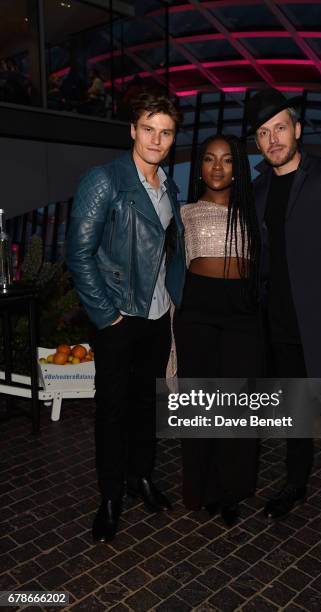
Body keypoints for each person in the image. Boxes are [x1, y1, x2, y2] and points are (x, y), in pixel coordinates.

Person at [246, 88, 321, 551]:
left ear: (297, 130)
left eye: (280, 127)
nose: (273, 138)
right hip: (279, 327)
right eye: (263, 132)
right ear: (257, 143)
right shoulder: (257, 189)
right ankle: (295, 485)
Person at [67, 91, 185, 543]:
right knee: (113, 410)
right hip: (118, 315)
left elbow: (166, 248)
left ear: (173, 138)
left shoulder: (169, 185)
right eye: (149, 129)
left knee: (146, 404)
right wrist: (107, 315)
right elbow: (78, 254)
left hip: (156, 314)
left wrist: (174, 298)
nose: (157, 139)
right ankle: (111, 495)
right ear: (133, 130)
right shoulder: (106, 180)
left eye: (166, 132)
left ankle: (141, 478)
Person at [173, 134, 263, 527]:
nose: (217, 167)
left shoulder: (254, 212)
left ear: (237, 168)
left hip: (242, 311)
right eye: (209, 159)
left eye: (227, 160)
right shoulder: (185, 212)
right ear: (200, 167)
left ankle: (231, 490)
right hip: (197, 308)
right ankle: (202, 486)